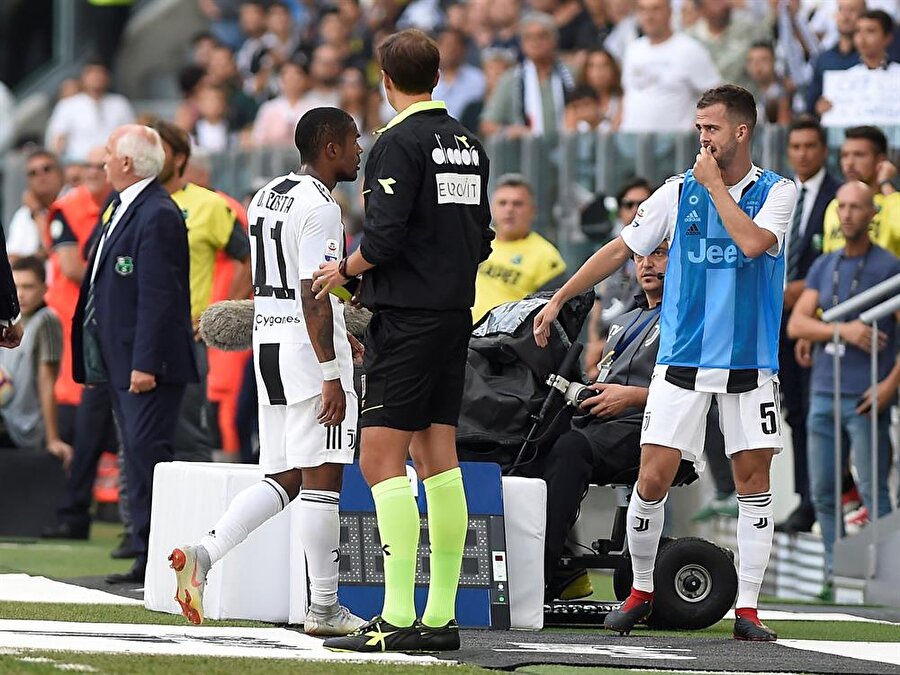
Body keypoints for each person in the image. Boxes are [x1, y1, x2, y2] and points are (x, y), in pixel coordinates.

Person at [533, 84, 796, 641]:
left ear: (741, 131)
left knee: (754, 482)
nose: (703, 138)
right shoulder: (677, 191)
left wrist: (716, 188)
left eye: (712, 128)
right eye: (699, 128)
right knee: (650, 478)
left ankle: (747, 610)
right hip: (682, 358)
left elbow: (752, 244)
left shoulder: (778, 191)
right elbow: (620, 248)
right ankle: (641, 590)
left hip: (749, 362)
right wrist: (560, 297)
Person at [312, 29, 493, 652]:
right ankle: (440, 618)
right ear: (437, 76)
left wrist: (344, 271)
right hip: (453, 315)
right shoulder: (469, 142)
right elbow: (483, 236)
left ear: (385, 82)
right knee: (439, 459)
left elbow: (383, 240)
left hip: (408, 317)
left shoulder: (397, 142)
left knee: (380, 460)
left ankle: (393, 615)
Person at [169, 107, 366, 635]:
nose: (359, 150)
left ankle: (204, 554)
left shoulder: (268, 194)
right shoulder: (323, 208)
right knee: (325, 476)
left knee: (285, 475)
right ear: (330, 148)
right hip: (306, 350)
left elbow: (279, 281)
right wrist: (330, 368)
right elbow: (314, 290)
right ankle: (324, 606)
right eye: (352, 141)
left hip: (270, 341)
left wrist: (335, 331)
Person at [72, 124, 198, 584]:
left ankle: (157, 554)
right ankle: (145, 546)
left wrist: (145, 363)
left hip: (147, 364)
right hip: (120, 358)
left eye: (107, 154)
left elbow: (160, 297)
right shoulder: (123, 205)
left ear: (126, 162)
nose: (102, 162)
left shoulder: (158, 213)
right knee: (136, 454)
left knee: (148, 456)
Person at [787, 181, 899, 600]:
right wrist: (841, 330)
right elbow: (797, 323)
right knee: (823, 491)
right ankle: (836, 575)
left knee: (873, 491)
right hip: (822, 392)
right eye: (843, 207)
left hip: (866, 395)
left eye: (857, 207)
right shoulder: (824, 264)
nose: (848, 214)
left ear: (873, 214)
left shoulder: (888, 266)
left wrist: (889, 385)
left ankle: (887, 578)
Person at [776, 116, 841, 534]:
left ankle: (827, 497)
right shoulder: (780, 194)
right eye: (795, 147)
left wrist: (806, 289)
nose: (802, 154)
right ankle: (805, 498)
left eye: (810, 146)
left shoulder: (838, 198)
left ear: (823, 150)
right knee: (793, 409)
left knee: (820, 409)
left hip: (819, 316)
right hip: (776, 316)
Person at [0, 256, 70, 467]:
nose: (21, 294)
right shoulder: (10, 321)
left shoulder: (46, 320)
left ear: (44, 288)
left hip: (26, 427)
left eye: (28, 287)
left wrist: (52, 439)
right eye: (16, 286)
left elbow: (46, 380)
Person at [472, 174, 566, 322]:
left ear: (533, 211)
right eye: (502, 203)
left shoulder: (547, 257)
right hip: (462, 335)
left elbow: (552, 315)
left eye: (518, 204)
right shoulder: (475, 241)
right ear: (492, 208)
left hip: (504, 341)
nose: (509, 209)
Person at [620, 0, 721, 133]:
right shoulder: (633, 49)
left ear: (670, 12)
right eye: (643, 10)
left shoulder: (690, 49)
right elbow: (627, 95)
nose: (649, 16)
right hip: (631, 143)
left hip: (676, 146)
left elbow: (716, 96)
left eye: (656, 9)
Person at [480, 12, 575, 141]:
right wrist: (509, 131)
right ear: (522, 44)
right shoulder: (510, 79)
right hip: (524, 155)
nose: (535, 42)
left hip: (568, 151)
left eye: (542, 36)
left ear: (554, 40)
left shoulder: (572, 74)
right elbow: (487, 124)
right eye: (528, 37)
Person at [822, 126, 900, 256]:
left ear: (880, 161)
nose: (850, 163)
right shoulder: (835, 205)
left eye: (859, 155)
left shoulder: (892, 202)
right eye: (845, 155)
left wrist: (885, 183)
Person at [45, 62, 135, 162]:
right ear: (83, 78)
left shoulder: (120, 103)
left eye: (101, 73)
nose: (97, 77)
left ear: (108, 78)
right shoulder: (68, 105)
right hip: (78, 164)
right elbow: (57, 138)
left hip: (113, 162)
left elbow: (131, 135)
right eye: (92, 73)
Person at [7, 150, 64, 263]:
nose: (40, 176)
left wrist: (37, 213)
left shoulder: (71, 205)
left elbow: (53, 251)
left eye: (46, 169)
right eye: (33, 173)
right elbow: (10, 259)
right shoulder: (23, 214)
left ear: (60, 173)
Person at [432, 27, 486, 121]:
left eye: (453, 45)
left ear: (463, 49)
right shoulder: (425, 78)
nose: (449, 50)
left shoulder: (478, 79)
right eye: (444, 44)